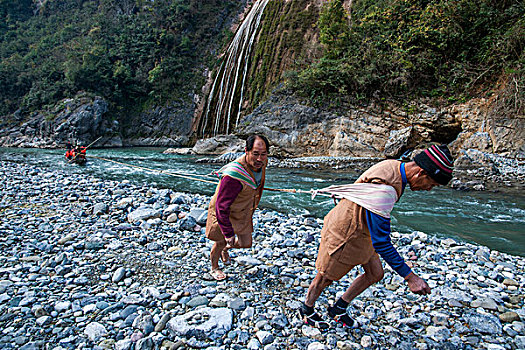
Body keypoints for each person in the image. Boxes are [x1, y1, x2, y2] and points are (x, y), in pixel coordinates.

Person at [300, 144, 454, 329]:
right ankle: (307, 309)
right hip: (346, 233)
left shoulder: (395, 166)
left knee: (376, 273)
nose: (429, 189)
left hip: (364, 230)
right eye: (431, 184)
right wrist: (411, 278)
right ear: (420, 173)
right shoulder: (384, 190)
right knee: (325, 276)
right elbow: (381, 242)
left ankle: (339, 307)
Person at [205, 134, 270, 280]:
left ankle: (225, 250)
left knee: (245, 243)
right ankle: (214, 267)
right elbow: (221, 206)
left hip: (242, 211)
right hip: (224, 214)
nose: (259, 158)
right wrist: (228, 233)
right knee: (221, 241)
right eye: (255, 154)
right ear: (246, 151)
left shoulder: (260, 164)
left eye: (263, 154)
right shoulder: (233, 177)